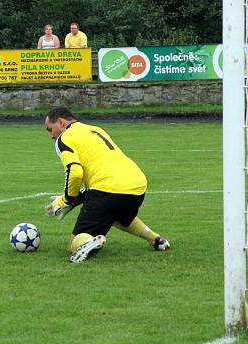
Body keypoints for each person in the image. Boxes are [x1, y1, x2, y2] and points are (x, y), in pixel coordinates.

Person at [42, 105, 170, 263]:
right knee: (116, 215)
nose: (51, 136)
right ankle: (156, 240)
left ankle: (88, 243)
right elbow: (95, 180)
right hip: (137, 186)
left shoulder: (64, 138)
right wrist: (72, 199)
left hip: (108, 188)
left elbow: (74, 172)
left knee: (73, 245)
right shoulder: (95, 129)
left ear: (61, 122)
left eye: (50, 129)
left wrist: (67, 200)